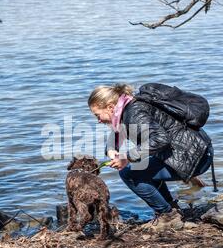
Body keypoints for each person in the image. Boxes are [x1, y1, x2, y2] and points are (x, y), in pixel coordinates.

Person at [88, 83, 213, 228]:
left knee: (130, 174)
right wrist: (111, 150)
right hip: (198, 152)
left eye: (97, 115)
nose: (98, 120)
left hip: (194, 157)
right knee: (144, 167)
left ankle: (167, 215)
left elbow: (160, 139)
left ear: (110, 107)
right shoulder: (129, 106)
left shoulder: (134, 113)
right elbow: (118, 133)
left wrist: (127, 157)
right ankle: (171, 208)